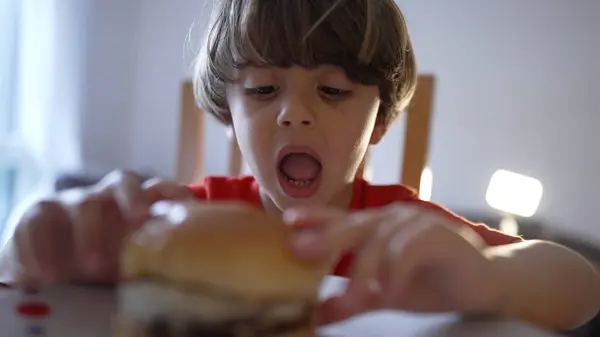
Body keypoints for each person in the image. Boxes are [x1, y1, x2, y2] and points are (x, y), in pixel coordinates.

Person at [0, 0, 598, 332]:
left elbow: (581, 287)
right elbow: (25, 277)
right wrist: (43, 237)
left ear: (380, 122)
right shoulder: (187, 221)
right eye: (263, 90)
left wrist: (494, 279)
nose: (294, 115)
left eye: (333, 92)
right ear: (229, 117)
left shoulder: (403, 232)